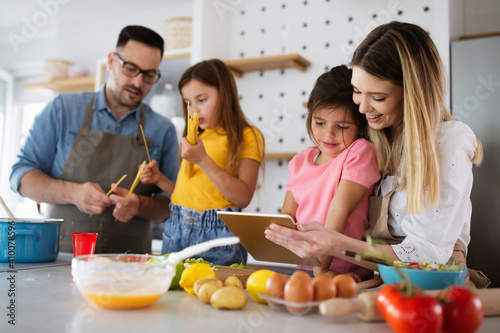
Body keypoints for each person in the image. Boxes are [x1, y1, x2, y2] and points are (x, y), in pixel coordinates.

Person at [265, 21, 489, 288]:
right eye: (357, 92)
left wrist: (334, 244)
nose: (362, 107)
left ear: (412, 94)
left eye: (378, 97)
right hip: (380, 278)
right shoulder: (374, 139)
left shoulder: (447, 141)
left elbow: (428, 257)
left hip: (432, 285)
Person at [9, 26, 179, 254]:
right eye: (130, 69)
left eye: (148, 75)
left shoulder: (163, 129)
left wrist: (140, 205)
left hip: (130, 266)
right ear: (111, 61)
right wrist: (73, 193)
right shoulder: (63, 110)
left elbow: (171, 204)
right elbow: (21, 177)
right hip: (62, 259)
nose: (138, 83)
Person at [140, 59, 265, 266]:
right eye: (188, 102)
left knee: (215, 295)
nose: (194, 111)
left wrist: (203, 159)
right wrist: (159, 179)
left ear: (225, 93)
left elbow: (243, 197)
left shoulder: (246, 136)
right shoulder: (194, 137)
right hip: (176, 228)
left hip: (218, 235)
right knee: (172, 295)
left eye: (202, 100)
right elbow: (187, 196)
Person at [281, 65, 379, 281]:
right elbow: (289, 212)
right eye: (320, 123)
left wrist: (321, 268)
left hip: (344, 271)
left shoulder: (360, 152)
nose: (329, 134)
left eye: (342, 127)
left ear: (360, 125)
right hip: (305, 268)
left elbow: (339, 208)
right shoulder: (299, 161)